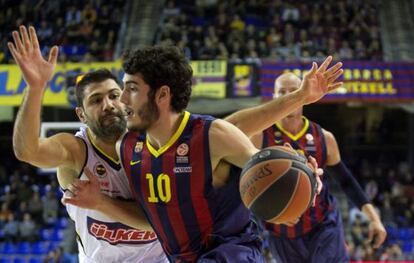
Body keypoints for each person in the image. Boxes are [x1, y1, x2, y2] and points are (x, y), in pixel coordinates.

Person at [64, 45, 343, 262]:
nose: (122, 99)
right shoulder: (129, 147)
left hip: (231, 253)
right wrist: (100, 202)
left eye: (132, 89)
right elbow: (151, 222)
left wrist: (308, 179)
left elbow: (264, 164)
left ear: (162, 95)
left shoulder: (212, 134)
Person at [8, 26, 167, 262]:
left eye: (114, 95)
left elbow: (158, 222)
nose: (108, 104)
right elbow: (27, 151)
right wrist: (36, 87)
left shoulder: (154, 141)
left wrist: (101, 202)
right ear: (81, 115)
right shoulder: (76, 150)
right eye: (96, 100)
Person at [249, 72, 387, 263]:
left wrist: (374, 218)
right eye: (282, 92)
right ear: (273, 97)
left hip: (323, 226)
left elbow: (347, 182)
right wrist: (268, 213)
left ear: (304, 94)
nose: (288, 96)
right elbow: (245, 188)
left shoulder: (325, 138)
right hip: (281, 234)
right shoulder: (258, 138)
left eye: (294, 90)